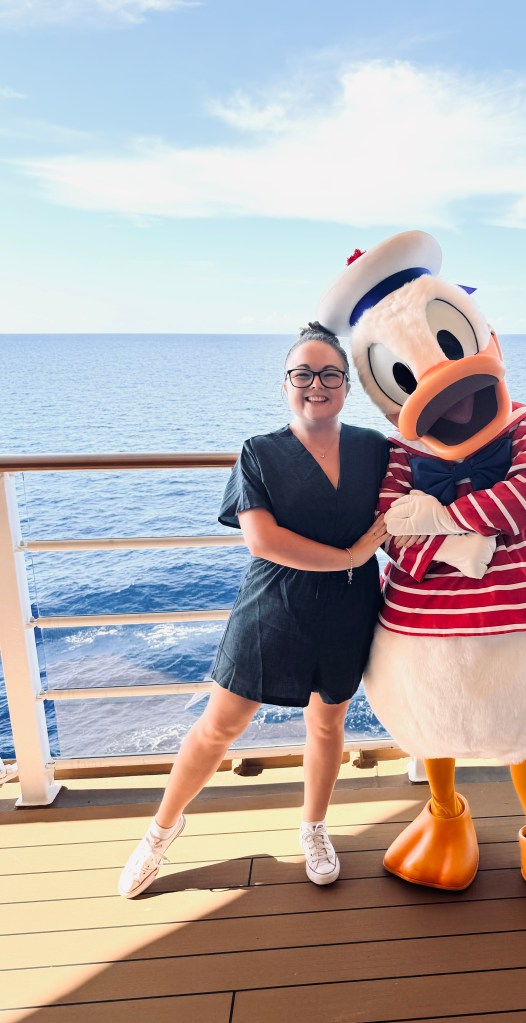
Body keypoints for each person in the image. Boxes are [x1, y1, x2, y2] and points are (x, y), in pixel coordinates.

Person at [118, 323, 390, 898]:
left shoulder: (375, 448)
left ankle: (314, 829)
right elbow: (263, 541)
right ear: (286, 384)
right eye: (303, 374)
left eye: (330, 374)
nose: (316, 384)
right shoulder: (259, 453)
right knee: (220, 725)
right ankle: (160, 831)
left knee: (327, 721)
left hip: (348, 606)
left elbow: (413, 501)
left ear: (347, 385)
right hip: (274, 607)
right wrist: (352, 554)